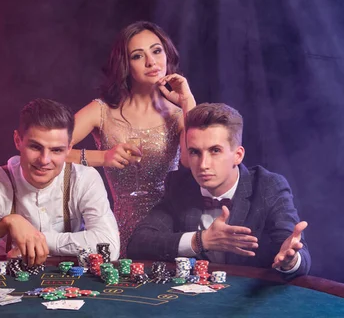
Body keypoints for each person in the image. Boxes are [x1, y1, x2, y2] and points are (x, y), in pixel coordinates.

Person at [127, 103, 310, 278]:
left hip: (249, 302)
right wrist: (200, 240)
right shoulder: (179, 185)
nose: (203, 165)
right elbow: (139, 243)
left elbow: (294, 250)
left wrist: (290, 260)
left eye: (215, 150)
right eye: (194, 152)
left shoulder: (268, 186)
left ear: (237, 155)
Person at [68, 21, 196, 256]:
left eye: (157, 51)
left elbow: (193, 162)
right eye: (138, 56)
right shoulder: (102, 111)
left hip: (168, 228)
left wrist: (188, 103)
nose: (151, 62)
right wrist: (102, 157)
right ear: (125, 64)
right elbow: (51, 151)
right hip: (119, 228)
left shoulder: (178, 116)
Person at [0, 98, 120, 266]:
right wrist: (7, 223)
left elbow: (109, 246)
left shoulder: (85, 179)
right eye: (35, 147)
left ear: (69, 149)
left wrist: (40, 239)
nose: (44, 160)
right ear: (18, 141)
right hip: (6, 287)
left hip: (68, 285)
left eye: (56, 150)